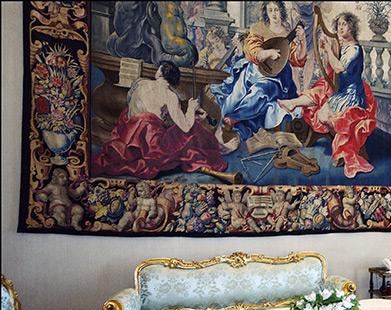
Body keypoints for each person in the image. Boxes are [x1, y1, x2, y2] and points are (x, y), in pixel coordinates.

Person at [277, 11, 377, 178]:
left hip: (352, 94)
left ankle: (345, 146)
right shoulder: (344, 47)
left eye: (344, 24)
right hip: (341, 92)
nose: (340, 28)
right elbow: (332, 68)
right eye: (339, 25)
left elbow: (338, 68)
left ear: (352, 27)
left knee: (327, 116)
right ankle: (342, 142)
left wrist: (329, 50)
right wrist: (326, 49)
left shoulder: (355, 49)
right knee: (322, 115)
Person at [92, 61, 232, 180]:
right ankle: (218, 148)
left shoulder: (140, 84)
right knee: (194, 129)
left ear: (159, 73)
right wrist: (190, 109)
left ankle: (218, 146)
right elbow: (185, 128)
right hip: (152, 147)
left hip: (131, 137)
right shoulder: (170, 96)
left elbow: (134, 110)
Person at [208, 1, 307, 144]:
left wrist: (302, 41)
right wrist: (267, 53)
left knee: (259, 92)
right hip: (253, 71)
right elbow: (251, 50)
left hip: (276, 78)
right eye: (270, 10)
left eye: (276, 10)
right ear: (266, 12)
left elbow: (298, 60)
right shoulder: (259, 28)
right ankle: (219, 121)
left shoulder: (287, 33)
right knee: (237, 93)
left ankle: (233, 118)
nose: (274, 14)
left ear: (281, 11)